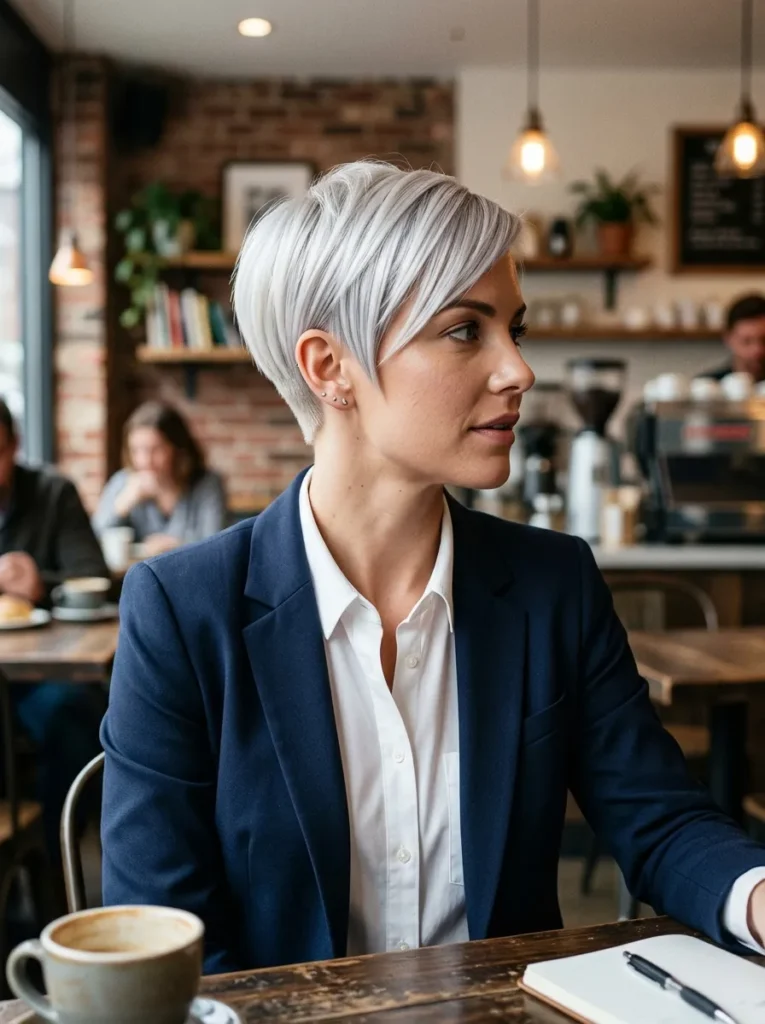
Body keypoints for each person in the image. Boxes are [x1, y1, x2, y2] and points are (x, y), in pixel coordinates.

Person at [101, 162, 765, 975]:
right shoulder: (182, 610)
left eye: (512, 330)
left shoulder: (552, 585)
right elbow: (167, 936)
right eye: (464, 330)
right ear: (328, 367)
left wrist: (755, 898)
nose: (517, 370)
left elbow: (658, 822)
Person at [0, 400, 107, 864]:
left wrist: (41, 583)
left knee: (74, 712)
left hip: (43, 671)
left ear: (14, 447)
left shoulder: (51, 493)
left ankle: (52, 861)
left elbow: (93, 576)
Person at [93, 401, 226, 556]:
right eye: (136, 450)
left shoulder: (206, 484)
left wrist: (175, 545)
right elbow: (91, 540)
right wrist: (122, 505)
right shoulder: (122, 482)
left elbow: (218, 543)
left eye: (155, 449)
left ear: (177, 450)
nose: (145, 461)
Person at [701, 293, 765, 383]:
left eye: (764, 341)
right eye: (746, 341)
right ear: (728, 339)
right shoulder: (707, 385)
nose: (757, 350)